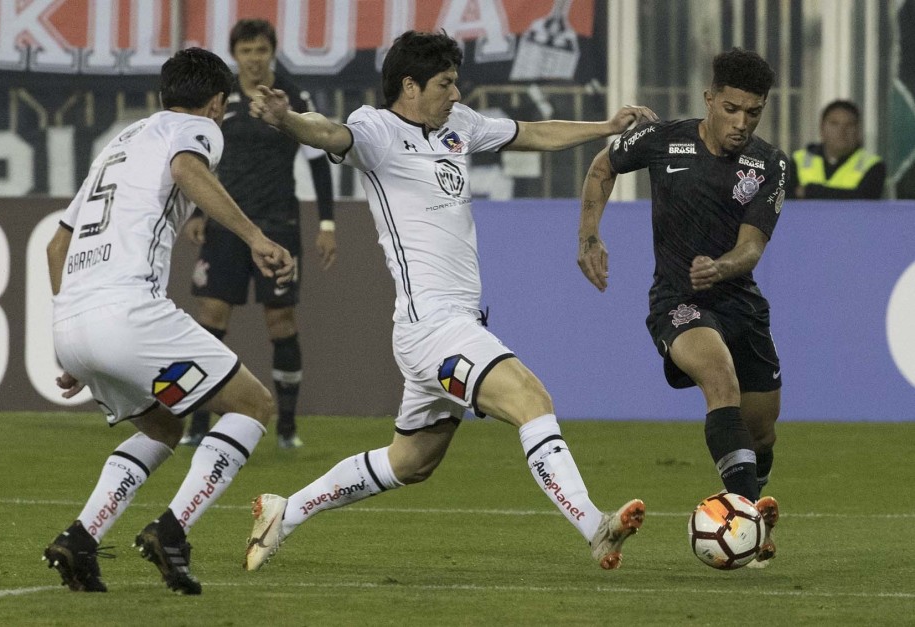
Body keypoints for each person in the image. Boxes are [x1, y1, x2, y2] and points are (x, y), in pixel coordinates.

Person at [241, 30, 658, 573]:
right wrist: (287, 120)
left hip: (446, 325)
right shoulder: (377, 129)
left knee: (410, 462)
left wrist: (604, 127)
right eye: (445, 84)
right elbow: (329, 134)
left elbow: (531, 132)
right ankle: (593, 525)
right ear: (409, 87)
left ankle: (283, 512)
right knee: (531, 397)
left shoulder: (458, 126)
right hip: (432, 328)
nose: (456, 95)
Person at [42, 48, 294, 595]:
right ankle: (172, 530)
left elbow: (56, 247)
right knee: (253, 404)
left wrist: (70, 342)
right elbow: (186, 168)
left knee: (161, 424)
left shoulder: (118, 145)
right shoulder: (196, 128)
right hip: (129, 312)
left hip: (75, 321)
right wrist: (255, 237)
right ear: (216, 103)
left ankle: (81, 539)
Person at [577, 48, 785, 567]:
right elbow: (603, 166)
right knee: (721, 381)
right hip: (678, 302)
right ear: (710, 99)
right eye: (732, 109)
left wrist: (723, 266)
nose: (741, 123)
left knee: (760, 432)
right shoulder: (661, 139)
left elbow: (753, 246)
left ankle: (748, 498)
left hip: (740, 302)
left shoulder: (771, 164)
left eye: (753, 113)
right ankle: (746, 525)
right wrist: (589, 236)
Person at [180, 18, 337, 450]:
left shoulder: (291, 97)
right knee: (210, 317)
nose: (253, 58)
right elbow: (198, 155)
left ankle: (286, 427)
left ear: (272, 53)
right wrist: (196, 211)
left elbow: (319, 158)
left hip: (279, 222)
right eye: (246, 50)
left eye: (261, 50)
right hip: (226, 223)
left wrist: (327, 223)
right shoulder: (220, 97)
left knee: (280, 319)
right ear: (236, 55)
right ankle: (197, 422)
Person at [788, 99, 885, 199]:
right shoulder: (798, 160)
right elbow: (782, 198)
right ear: (822, 129)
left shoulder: (873, 165)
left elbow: (864, 198)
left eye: (849, 125)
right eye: (834, 124)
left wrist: (809, 191)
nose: (842, 131)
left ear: (858, 131)